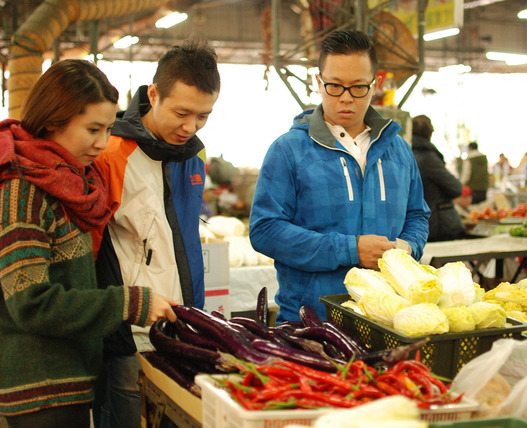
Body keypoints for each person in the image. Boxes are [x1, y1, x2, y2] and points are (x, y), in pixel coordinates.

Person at [0, 59, 178, 428]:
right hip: (38, 391)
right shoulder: (23, 191)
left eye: (109, 129)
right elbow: (30, 303)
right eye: (93, 129)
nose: (102, 143)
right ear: (54, 120)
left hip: (72, 377)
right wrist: (130, 302)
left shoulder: (69, 182)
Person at [249, 29, 430, 322]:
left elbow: (417, 215)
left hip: (388, 320)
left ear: (376, 84)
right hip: (310, 322)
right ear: (318, 82)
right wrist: (351, 249)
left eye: (358, 87)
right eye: (335, 86)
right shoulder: (289, 150)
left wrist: (406, 248)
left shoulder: (398, 150)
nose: (346, 98)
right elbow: (265, 231)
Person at [90, 41, 220, 428]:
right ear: (153, 94)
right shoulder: (110, 153)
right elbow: (91, 253)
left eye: (203, 116)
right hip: (130, 335)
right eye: (182, 113)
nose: (191, 127)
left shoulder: (192, 155)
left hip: (181, 329)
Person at [411, 115, 465, 242]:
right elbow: (456, 188)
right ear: (430, 133)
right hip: (436, 223)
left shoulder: (408, 154)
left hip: (415, 225)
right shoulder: (429, 158)